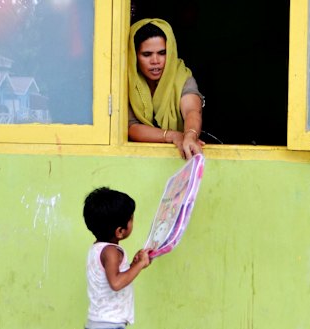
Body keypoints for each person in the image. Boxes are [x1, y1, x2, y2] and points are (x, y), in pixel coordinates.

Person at [128, 18, 205, 160]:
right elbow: (131, 127)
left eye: (162, 53)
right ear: (134, 55)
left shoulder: (181, 77)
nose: (155, 61)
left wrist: (190, 135)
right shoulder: (126, 80)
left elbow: (191, 111)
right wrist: (172, 135)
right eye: (147, 54)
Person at [83, 187, 152, 329]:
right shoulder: (111, 251)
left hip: (97, 322)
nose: (133, 222)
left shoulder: (97, 249)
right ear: (120, 231)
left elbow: (115, 275)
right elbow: (116, 283)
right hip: (110, 324)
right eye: (131, 219)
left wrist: (134, 265)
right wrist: (140, 265)